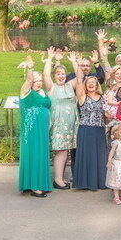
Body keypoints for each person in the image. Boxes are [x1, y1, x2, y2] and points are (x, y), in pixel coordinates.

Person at [42, 49, 77, 190]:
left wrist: (74, 62)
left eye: (63, 74)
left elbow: (80, 77)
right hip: (58, 125)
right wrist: (50, 59)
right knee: (61, 151)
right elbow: (45, 75)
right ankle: (58, 180)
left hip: (70, 125)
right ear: (54, 76)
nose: (61, 76)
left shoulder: (70, 86)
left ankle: (60, 177)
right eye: (58, 74)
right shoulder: (52, 88)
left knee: (65, 151)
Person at [73, 59, 108, 191]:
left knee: (99, 156)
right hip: (86, 130)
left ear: (97, 84)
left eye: (94, 82)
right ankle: (86, 183)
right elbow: (79, 82)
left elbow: (105, 114)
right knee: (87, 156)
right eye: (89, 83)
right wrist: (77, 66)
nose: (91, 84)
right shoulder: (82, 96)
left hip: (99, 130)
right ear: (85, 85)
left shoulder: (102, 97)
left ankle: (99, 182)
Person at [17, 66, 51, 197]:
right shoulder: (25, 91)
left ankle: (33, 183)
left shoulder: (42, 92)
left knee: (41, 154)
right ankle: (35, 186)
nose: (38, 82)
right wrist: (30, 68)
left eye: (40, 80)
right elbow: (28, 79)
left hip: (42, 130)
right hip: (31, 131)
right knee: (33, 154)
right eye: (36, 80)